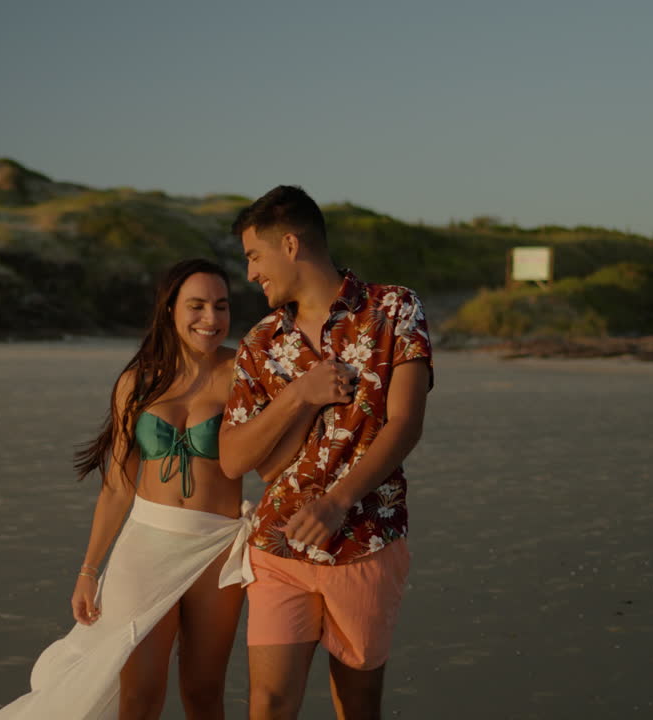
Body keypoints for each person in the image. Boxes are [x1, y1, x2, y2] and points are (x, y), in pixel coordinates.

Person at [0, 258, 256, 720]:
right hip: (146, 545)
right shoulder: (138, 381)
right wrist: (88, 569)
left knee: (204, 692)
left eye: (221, 306)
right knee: (140, 694)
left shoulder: (244, 369)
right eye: (197, 305)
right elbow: (118, 487)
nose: (211, 319)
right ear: (170, 310)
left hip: (216, 548)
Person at [218, 186, 433, 720]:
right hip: (278, 548)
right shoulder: (261, 343)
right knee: (267, 704)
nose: (249, 274)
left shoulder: (393, 308)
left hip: (363, 539)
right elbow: (234, 459)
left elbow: (404, 424)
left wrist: (338, 500)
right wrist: (300, 394)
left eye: (253, 256)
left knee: (356, 706)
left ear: (290, 245)